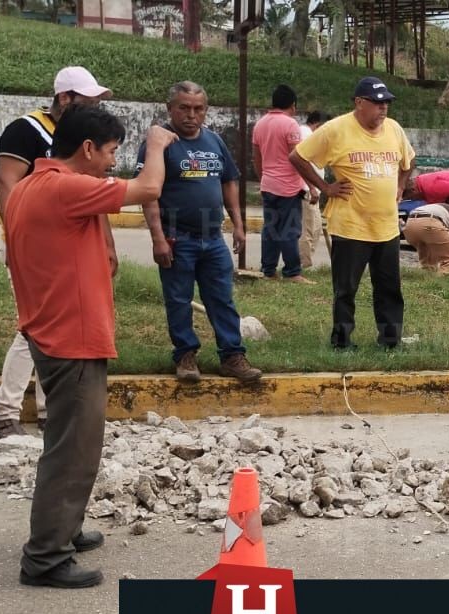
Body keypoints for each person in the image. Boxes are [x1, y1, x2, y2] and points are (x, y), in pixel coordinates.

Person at [4, 106, 175, 588]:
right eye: (111, 152)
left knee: (67, 442)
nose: (112, 162)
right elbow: (149, 189)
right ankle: (46, 558)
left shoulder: (32, 185)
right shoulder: (65, 186)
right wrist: (157, 146)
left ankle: (66, 530)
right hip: (70, 338)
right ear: (86, 149)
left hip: (50, 331)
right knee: (73, 451)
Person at [0, 66, 112, 442]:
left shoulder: (81, 138)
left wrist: (106, 243)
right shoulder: (26, 130)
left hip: (72, 246)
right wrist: (16, 240)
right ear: (65, 98)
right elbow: (6, 182)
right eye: (87, 101)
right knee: (34, 330)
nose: (94, 108)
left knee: (61, 331)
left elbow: (93, 192)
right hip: (38, 248)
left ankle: (49, 410)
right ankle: (5, 412)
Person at [141, 81, 262, 384]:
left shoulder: (215, 141)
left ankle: (232, 355)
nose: (191, 115)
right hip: (177, 237)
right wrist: (158, 238)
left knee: (222, 298)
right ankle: (185, 354)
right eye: (184, 108)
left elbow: (229, 182)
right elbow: (148, 194)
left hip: (213, 238)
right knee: (179, 299)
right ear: (170, 109)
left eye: (198, 109)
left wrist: (238, 224)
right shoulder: (159, 143)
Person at [290, 77, 415, 350]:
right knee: (346, 290)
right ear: (359, 103)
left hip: (386, 227)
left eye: (386, 103)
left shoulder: (393, 129)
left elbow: (408, 160)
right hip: (350, 226)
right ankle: (342, 342)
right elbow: (298, 157)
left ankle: (391, 341)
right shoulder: (335, 130)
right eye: (377, 103)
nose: (383, 109)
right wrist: (324, 187)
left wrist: (401, 184)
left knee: (389, 289)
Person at [251, 84, 312, 283]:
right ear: (292, 105)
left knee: (271, 228)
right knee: (289, 229)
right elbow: (297, 158)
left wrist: (263, 179)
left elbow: (256, 158)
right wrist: (311, 186)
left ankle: (268, 270)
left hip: (268, 184)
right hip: (288, 186)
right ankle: (293, 272)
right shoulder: (290, 124)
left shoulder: (260, 124)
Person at [296, 110, 332, 269]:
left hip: (311, 190)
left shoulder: (308, 134)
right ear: (318, 125)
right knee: (309, 230)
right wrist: (311, 187)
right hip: (307, 190)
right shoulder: (306, 135)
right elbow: (300, 162)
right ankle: (303, 265)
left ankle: (304, 263)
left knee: (314, 228)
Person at [402, 202, 449, 273]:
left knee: (428, 261)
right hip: (430, 222)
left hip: (410, 224)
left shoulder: (446, 212)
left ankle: (426, 281)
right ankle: (442, 282)